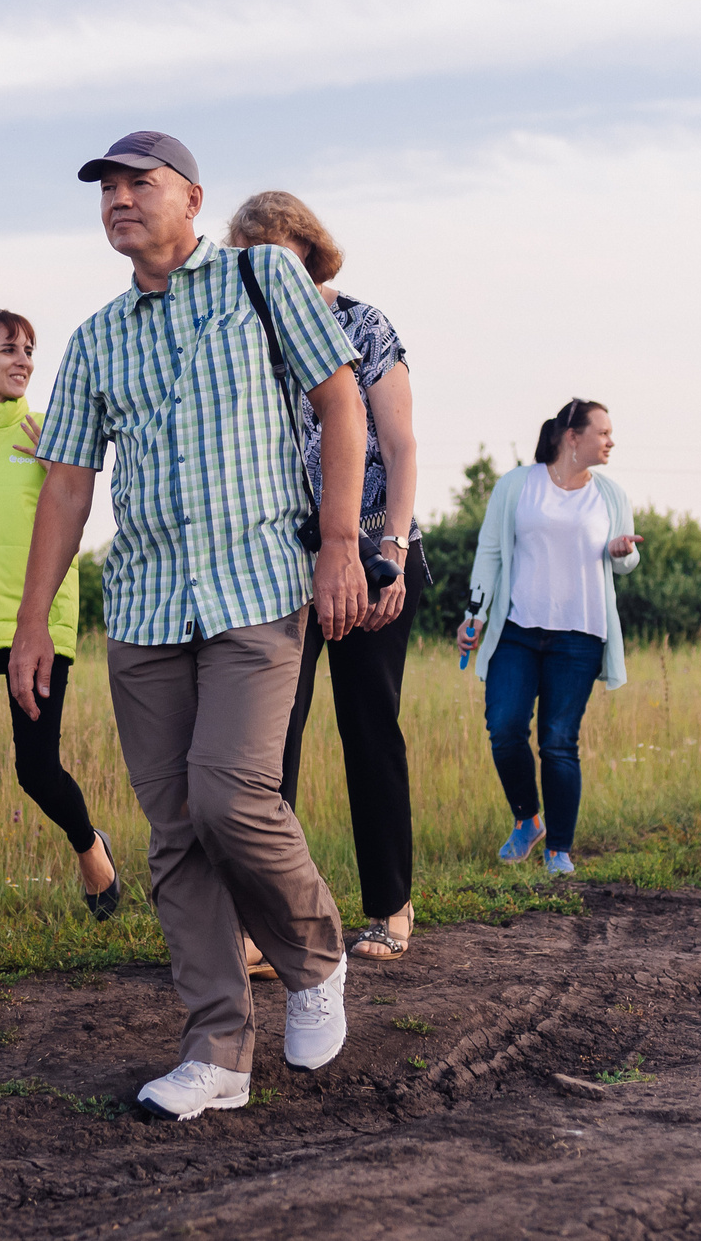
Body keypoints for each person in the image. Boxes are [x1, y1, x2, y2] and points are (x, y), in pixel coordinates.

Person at [11, 130, 371, 1122]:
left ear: (191, 198)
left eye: (140, 182)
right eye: (107, 188)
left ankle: (312, 953)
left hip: (256, 584)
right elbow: (68, 487)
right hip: (144, 605)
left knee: (230, 795)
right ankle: (215, 1048)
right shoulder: (94, 338)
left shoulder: (261, 280)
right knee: (174, 834)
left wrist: (340, 541)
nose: (120, 198)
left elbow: (341, 401)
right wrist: (34, 621)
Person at [224, 191, 423, 965]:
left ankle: (390, 907)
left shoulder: (365, 325)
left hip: (373, 551)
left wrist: (394, 552)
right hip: (280, 562)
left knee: (369, 728)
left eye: (260, 258)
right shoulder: (247, 336)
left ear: (301, 250)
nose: (248, 275)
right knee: (270, 743)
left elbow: (401, 446)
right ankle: (263, 925)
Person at [0, 307, 121, 931]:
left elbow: (77, 522)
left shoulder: (52, 430)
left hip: (39, 627)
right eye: (7, 350)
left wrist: (56, 470)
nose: (23, 361)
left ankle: (90, 848)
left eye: (28, 351)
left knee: (36, 770)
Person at [453, 400, 644, 877]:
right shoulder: (518, 485)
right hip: (518, 631)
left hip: (580, 637)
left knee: (559, 742)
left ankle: (558, 850)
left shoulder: (612, 495)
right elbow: (491, 553)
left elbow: (625, 560)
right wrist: (473, 614)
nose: (610, 441)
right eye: (603, 432)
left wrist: (622, 552)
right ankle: (528, 820)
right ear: (571, 436)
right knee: (505, 727)